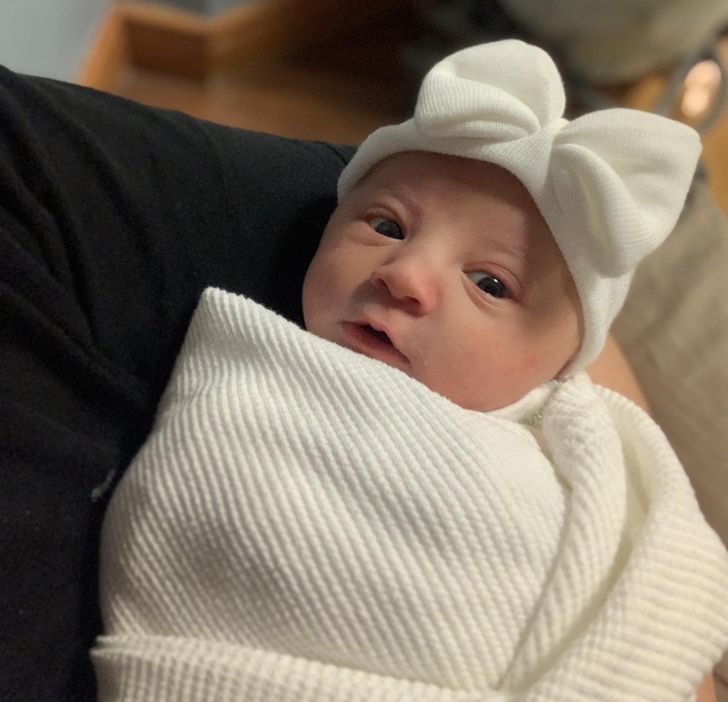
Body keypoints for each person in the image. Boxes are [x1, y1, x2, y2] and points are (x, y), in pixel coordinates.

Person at [91, 41, 728, 701]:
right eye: (387, 226)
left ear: (562, 366)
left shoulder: (589, 457)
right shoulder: (252, 377)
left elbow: (661, 589)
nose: (405, 275)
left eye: (489, 283)